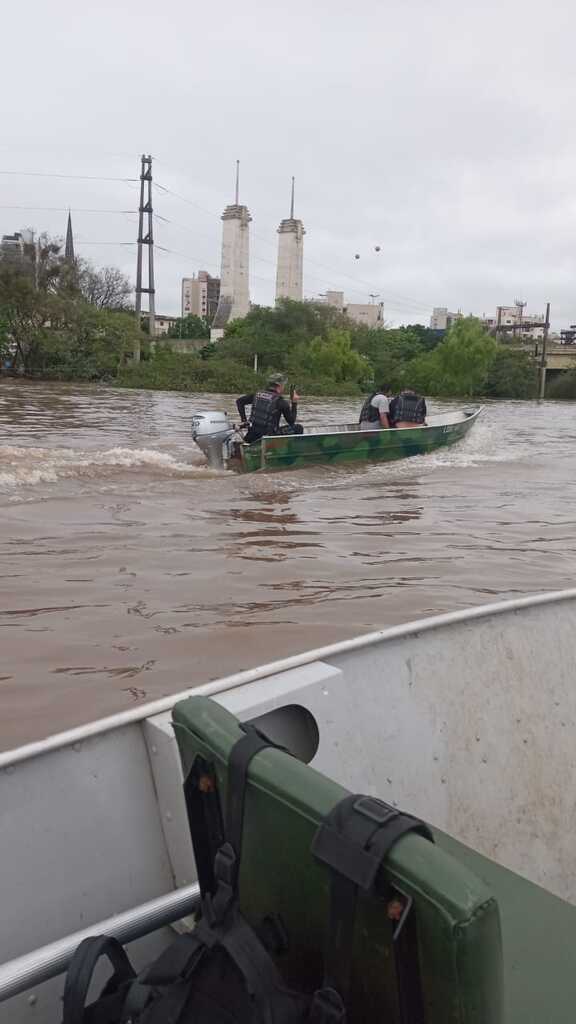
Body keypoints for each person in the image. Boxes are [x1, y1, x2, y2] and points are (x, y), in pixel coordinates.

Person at [236, 374, 304, 444]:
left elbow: (239, 402)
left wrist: (244, 420)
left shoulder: (256, 395)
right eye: (283, 385)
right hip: (268, 439)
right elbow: (291, 421)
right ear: (280, 386)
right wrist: (294, 403)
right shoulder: (281, 402)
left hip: (251, 436)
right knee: (298, 428)